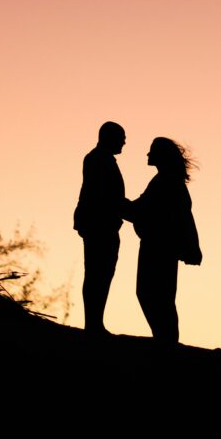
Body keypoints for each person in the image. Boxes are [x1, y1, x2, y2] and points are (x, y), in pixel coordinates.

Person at [125, 137, 202, 344]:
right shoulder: (166, 180)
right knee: (160, 296)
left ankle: (166, 341)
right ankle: (166, 339)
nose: (148, 155)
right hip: (162, 247)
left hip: (158, 247)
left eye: (151, 151)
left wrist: (117, 204)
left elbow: (143, 210)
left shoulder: (166, 182)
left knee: (153, 295)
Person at [73, 121, 127, 334]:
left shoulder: (101, 159)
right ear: (109, 137)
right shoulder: (98, 159)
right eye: (121, 137)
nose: (124, 142)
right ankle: (93, 323)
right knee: (97, 273)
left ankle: (95, 322)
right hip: (99, 225)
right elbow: (102, 196)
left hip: (102, 224)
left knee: (101, 273)